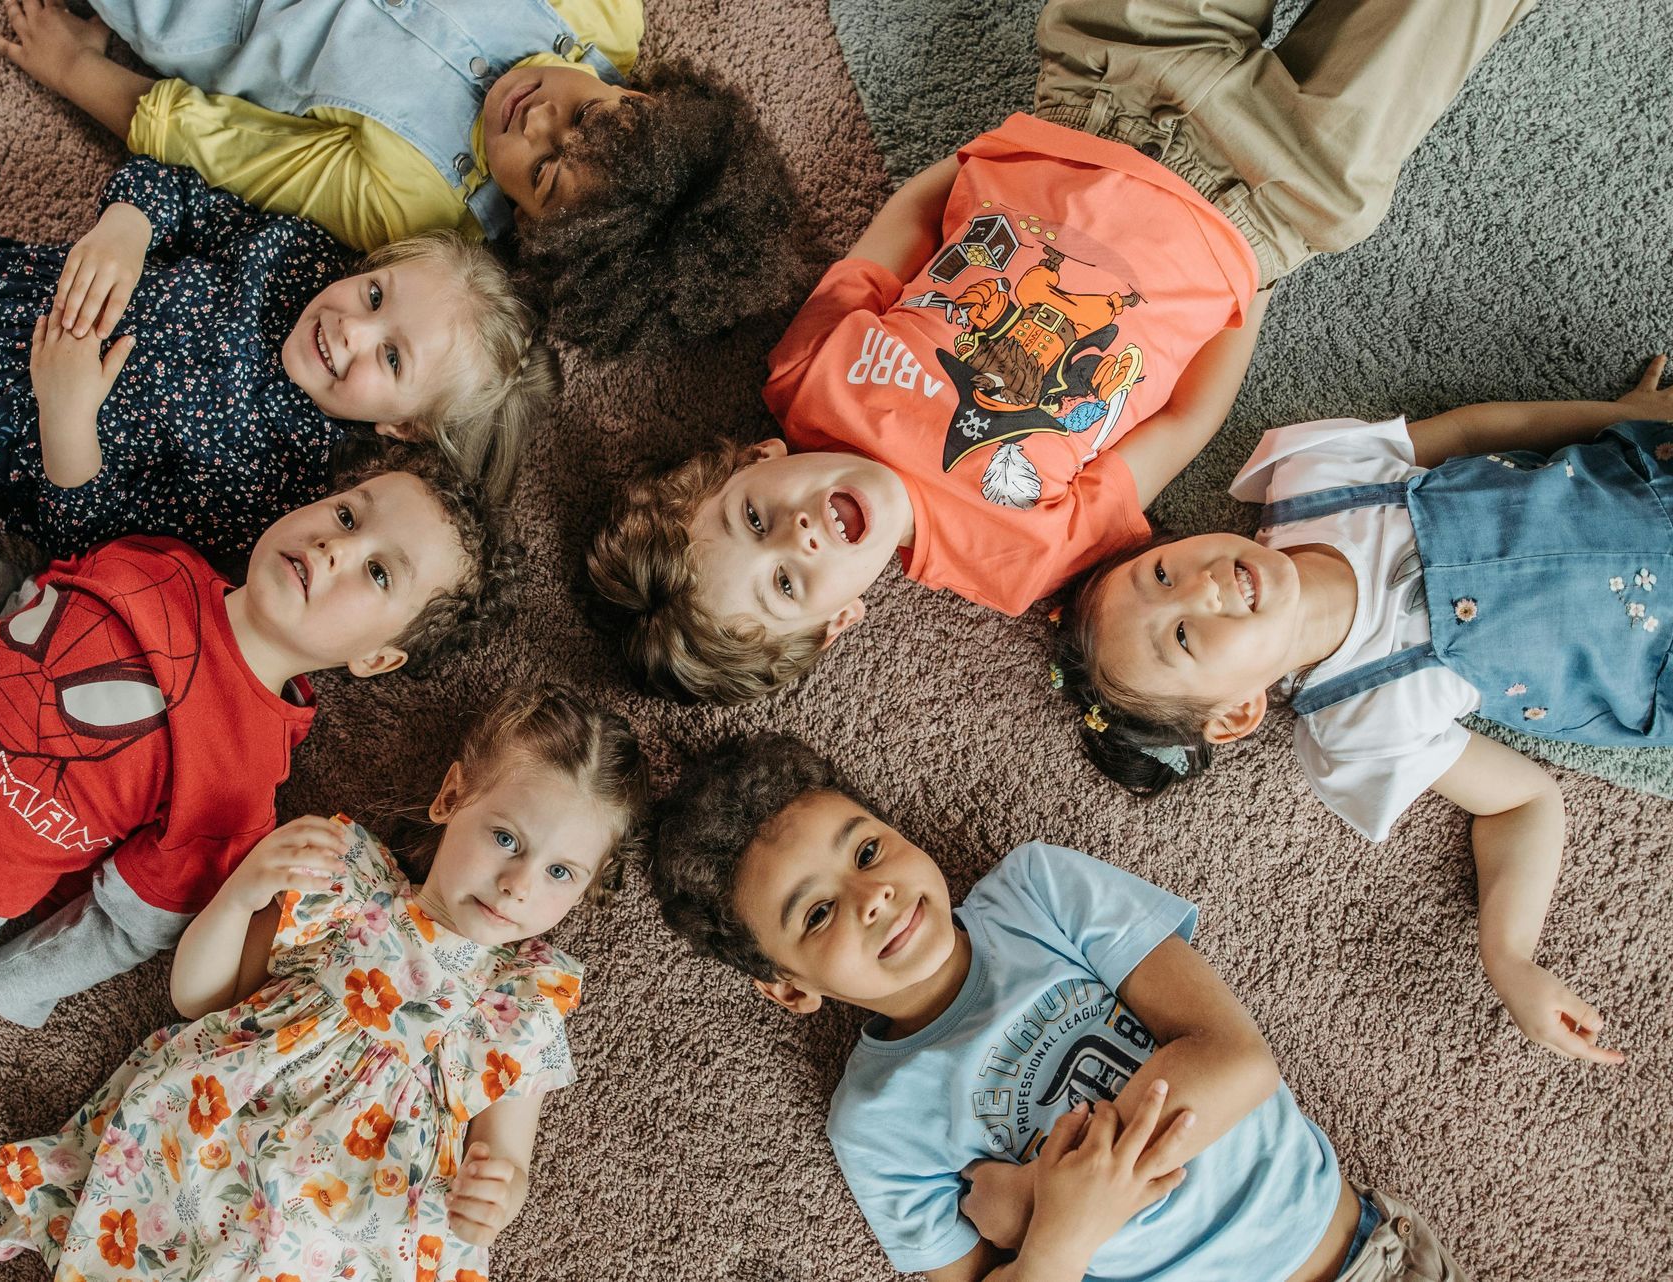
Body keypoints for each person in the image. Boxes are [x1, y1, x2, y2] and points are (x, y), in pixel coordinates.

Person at [586, 0, 1536, 702]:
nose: (794, 536)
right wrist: (1250, 277)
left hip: (1103, 86)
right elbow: (1184, 419)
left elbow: (904, 222)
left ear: (756, 461)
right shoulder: (1014, 562)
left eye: (753, 518)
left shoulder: (805, 377)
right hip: (1273, 192)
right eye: (787, 583)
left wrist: (996, 156)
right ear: (841, 623)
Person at [0, 427, 515, 1070]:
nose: (336, 546)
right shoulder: (151, 564)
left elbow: (125, 924)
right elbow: (0, 615)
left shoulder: (238, 784)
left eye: (379, 572)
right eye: (348, 515)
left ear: (377, 658)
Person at [650, 733, 1473, 1282]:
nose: (872, 896)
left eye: (867, 850)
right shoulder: (874, 1124)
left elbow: (1238, 1063)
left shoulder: (1037, 892)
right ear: (791, 987)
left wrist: (1044, 1192)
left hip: (1364, 1260)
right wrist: (1061, 1232)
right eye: (817, 913)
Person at [1046, 366, 1673, 1066]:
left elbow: (1475, 428)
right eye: (1185, 636)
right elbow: (1523, 801)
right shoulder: (1361, 724)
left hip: (1645, 483)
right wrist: (1509, 956)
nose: (1202, 586)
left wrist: (1616, 415)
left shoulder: (1315, 479)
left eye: (1162, 574)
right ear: (1235, 713)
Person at [0, 683, 648, 1282]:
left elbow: (506, 1154)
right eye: (505, 837)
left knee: (309, 1243)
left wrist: (497, 1197)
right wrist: (241, 897)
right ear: (451, 798)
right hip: (228, 1134)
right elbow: (201, 999)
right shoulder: (348, 886)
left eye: (562, 873)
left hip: (367, 1214)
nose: (520, 883)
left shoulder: (522, 1003)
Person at [0, 155, 551, 558]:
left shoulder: (274, 485)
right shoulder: (303, 262)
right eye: (375, 295)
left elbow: (91, 547)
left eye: (393, 358)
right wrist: (126, 227)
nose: (350, 327)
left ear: (404, 429)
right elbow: (176, 191)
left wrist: (69, 412)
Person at [0, 0, 808, 356]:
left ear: (530, 227)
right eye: (586, 117)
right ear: (640, 93)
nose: (536, 120)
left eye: (545, 173)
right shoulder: (602, 18)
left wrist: (74, 69)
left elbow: (223, 145)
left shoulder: (411, 202)